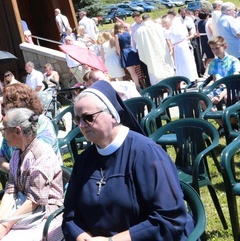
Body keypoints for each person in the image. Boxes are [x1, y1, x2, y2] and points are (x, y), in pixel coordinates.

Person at [62, 80, 193, 240]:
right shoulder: (83, 161)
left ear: (112, 115)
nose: (82, 125)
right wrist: (82, 237)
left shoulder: (145, 153)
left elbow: (169, 219)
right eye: (78, 119)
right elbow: (70, 214)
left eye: (88, 118)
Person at [0, 108, 64, 241]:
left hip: (44, 213)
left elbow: (35, 201)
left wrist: (5, 225)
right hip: (22, 208)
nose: (2, 133)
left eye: (4, 129)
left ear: (18, 131)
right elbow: (11, 189)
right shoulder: (17, 152)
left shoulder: (42, 156)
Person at [0, 83, 60, 174]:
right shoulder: (10, 126)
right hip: (19, 178)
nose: (3, 109)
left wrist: (15, 171)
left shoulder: (41, 123)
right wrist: (14, 170)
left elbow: (39, 162)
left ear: (14, 105)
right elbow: (1, 157)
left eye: (4, 104)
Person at [134, 13, 174, 85]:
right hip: (162, 51)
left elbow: (137, 43)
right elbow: (166, 38)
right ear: (150, 18)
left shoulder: (139, 31)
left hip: (150, 55)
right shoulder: (158, 26)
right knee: (166, 70)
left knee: (154, 72)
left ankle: (159, 92)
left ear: (143, 20)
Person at [205, 36, 240, 105]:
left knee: (228, 97)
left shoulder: (233, 60)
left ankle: (231, 115)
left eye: (217, 48)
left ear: (225, 46)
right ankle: (216, 114)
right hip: (219, 88)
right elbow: (214, 80)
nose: (215, 51)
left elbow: (235, 79)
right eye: (212, 49)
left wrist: (221, 95)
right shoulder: (213, 63)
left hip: (233, 88)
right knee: (201, 100)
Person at [161, 16, 198, 83]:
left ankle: (192, 79)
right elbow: (168, 41)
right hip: (176, 47)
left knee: (186, 62)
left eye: (166, 23)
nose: (165, 25)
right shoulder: (165, 31)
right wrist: (171, 50)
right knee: (180, 65)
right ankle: (184, 79)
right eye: (163, 23)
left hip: (182, 46)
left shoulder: (175, 27)